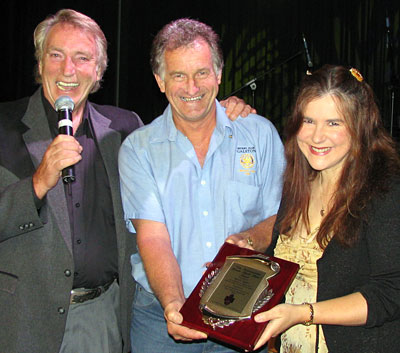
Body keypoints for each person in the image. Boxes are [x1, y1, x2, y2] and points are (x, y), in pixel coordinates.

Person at [0, 9, 253, 353]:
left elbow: (179, 154)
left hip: (102, 315)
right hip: (25, 320)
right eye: (56, 55)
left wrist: (220, 112)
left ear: (99, 69)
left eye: (82, 58)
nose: (68, 70)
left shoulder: (124, 129)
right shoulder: (4, 126)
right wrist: (37, 185)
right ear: (40, 62)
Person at [118, 18, 286, 353]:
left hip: (245, 311)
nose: (192, 87)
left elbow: (281, 218)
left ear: (219, 75)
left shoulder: (260, 134)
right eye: (178, 75)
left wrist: (250, 239)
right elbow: (153, 237)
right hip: (159, 321)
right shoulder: (138, 150)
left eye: (202, 73)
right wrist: (174, 304)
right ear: (160, 81)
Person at [253, 65, 400, 353]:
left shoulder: (384, 190)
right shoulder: (298, 184)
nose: (317, 136)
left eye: (334, 123)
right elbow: (280, 262)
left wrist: (303, 313)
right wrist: (235, 270)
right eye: (308, 121)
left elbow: (391, 293)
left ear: (360, 126)